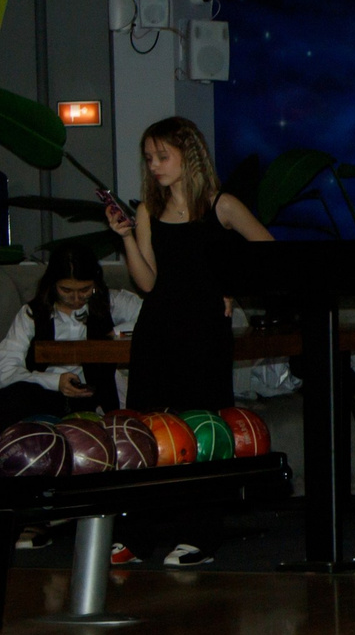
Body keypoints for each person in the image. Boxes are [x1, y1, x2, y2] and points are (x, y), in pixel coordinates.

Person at [109, 115, 273, 568]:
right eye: (149, 158)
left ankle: (200, 535)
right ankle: (139, 536)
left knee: (202, 432)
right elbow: (147, 282)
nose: (155, 165)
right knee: (150, 433)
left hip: (204, 332)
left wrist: (231, 288)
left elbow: (268, 254)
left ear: (189, 153)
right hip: (157, 330)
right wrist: (126, 238)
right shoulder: (147, 211)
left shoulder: (221, 206)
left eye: (163, 155)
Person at [0, 242, 139, 425]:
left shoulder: (111, 302)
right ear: (53, 284)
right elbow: (5, 371)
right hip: (44, 395)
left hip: (94, 400)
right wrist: (55, 381)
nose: (75, 299)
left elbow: (154, 317)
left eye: (84, 290)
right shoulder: (32, 314)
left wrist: (117, 333)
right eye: (66, 291)